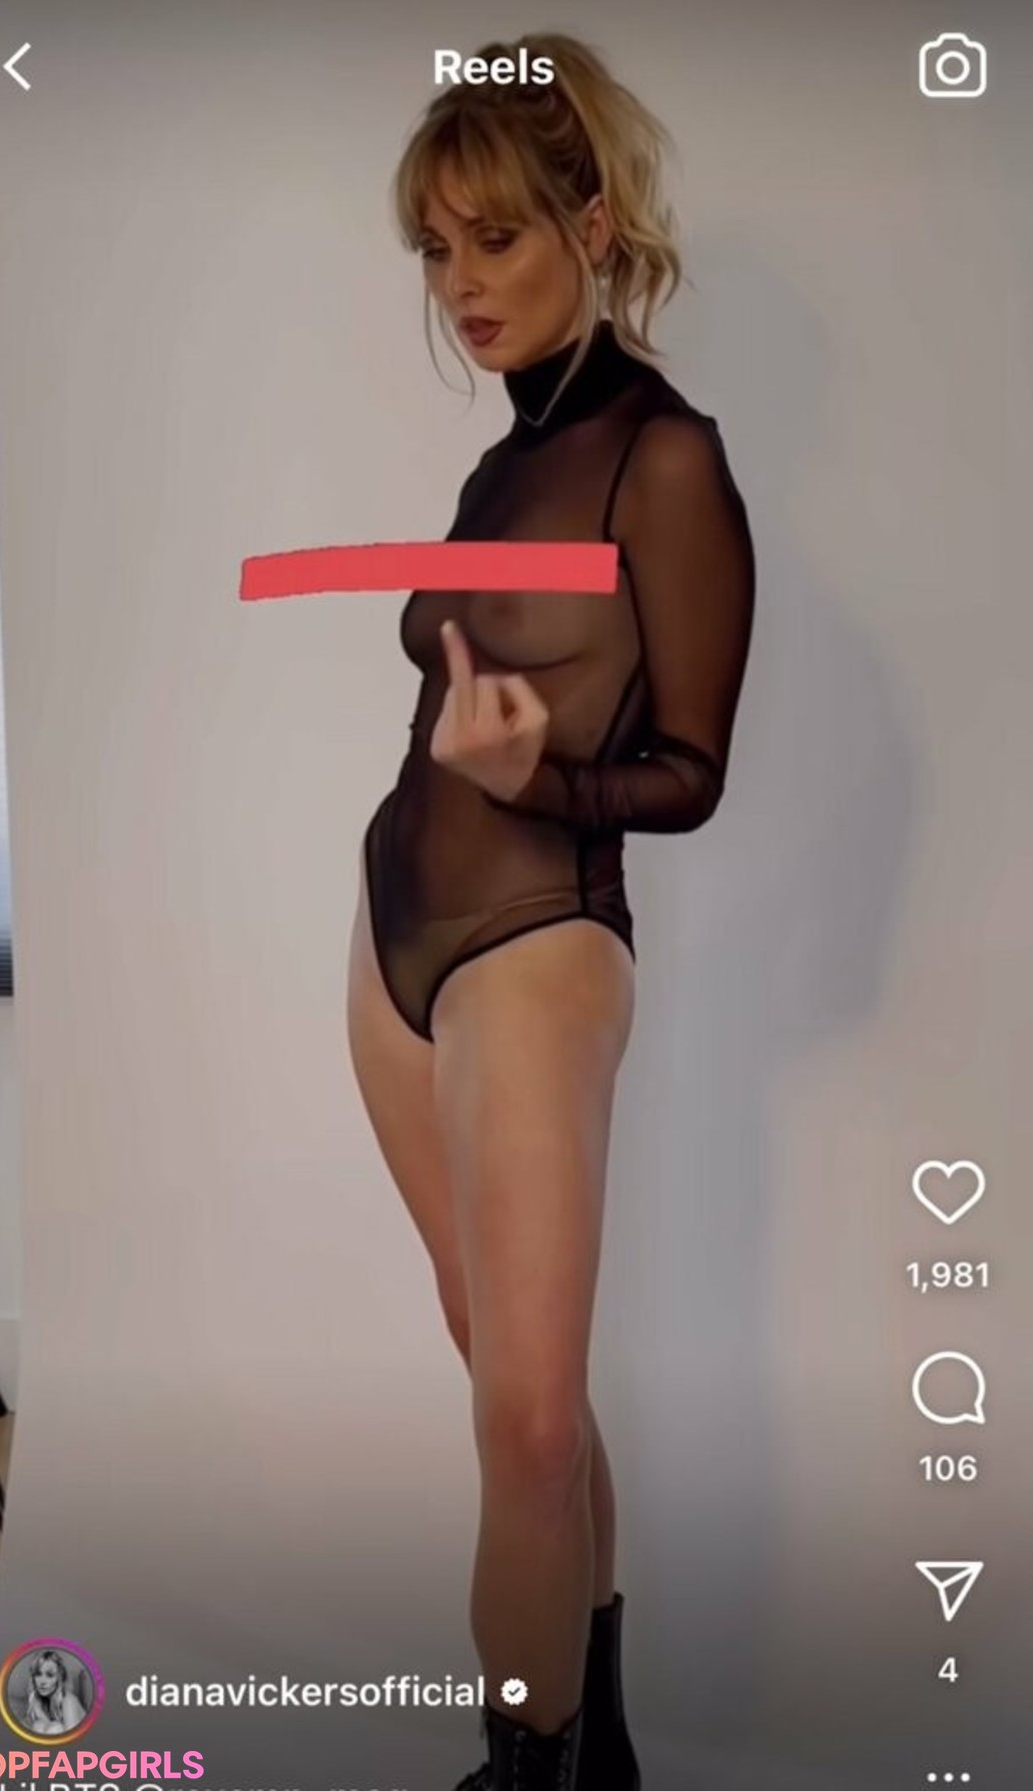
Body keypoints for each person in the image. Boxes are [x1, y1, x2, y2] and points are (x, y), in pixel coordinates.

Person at [346, 31, 755, 1791]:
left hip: (537, 944)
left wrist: (543, 785)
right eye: (437, 248)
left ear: (591, 225)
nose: (461, 284)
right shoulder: (506, 455)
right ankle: (604, 1746)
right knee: (504, 1372)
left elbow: (692, 771)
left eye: (496, 237)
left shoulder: (666, 460)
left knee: (522, 1419)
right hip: (393, 945)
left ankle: (527, 1762)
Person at [23, 1648, 87, 1735]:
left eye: (50, 1675)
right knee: (39, 1725)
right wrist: (39, 1712)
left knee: (55, 1727)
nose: (42, 1681)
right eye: (38, 1674)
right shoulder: (39, 1702)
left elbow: (72, 1739)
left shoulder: (68, 1700)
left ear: (60, 1678)